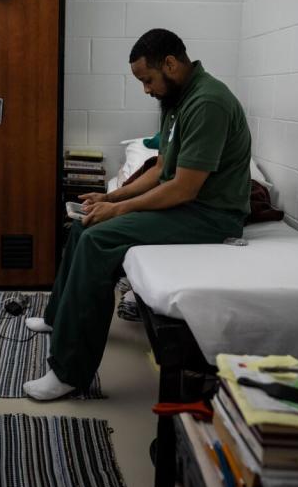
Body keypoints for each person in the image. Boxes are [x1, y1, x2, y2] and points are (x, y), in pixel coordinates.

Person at [22, 28, 253, 400]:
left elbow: (183, 188)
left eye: (147, 79)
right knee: (85, 225)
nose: (146, 89)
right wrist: (109, 196)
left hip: (211, 216)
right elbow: (162, 168)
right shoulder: (178, 102)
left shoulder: (208, 103)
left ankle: (69, 372)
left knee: (97, 240)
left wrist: (118, 209)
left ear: (171, 64)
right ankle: (57, 319)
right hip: (188, 205)